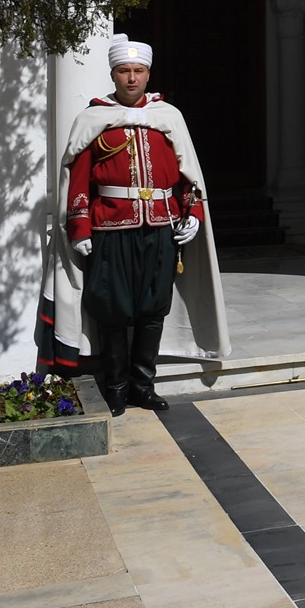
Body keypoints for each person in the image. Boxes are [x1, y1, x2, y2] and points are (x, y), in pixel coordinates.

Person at [53, 34, 229, 415]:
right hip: (110, 228)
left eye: (138, 71)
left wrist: (193, 214)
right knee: (112, 308)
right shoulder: (93, 119)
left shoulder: (169, 117)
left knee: (153, 307)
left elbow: (187, 174)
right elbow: (77, 178)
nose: (131, 78)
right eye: (124, 71)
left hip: (161, 226)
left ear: (148, 74)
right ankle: (116, 386)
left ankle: (142, 386)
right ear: (113, 75)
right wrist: (80, 228)